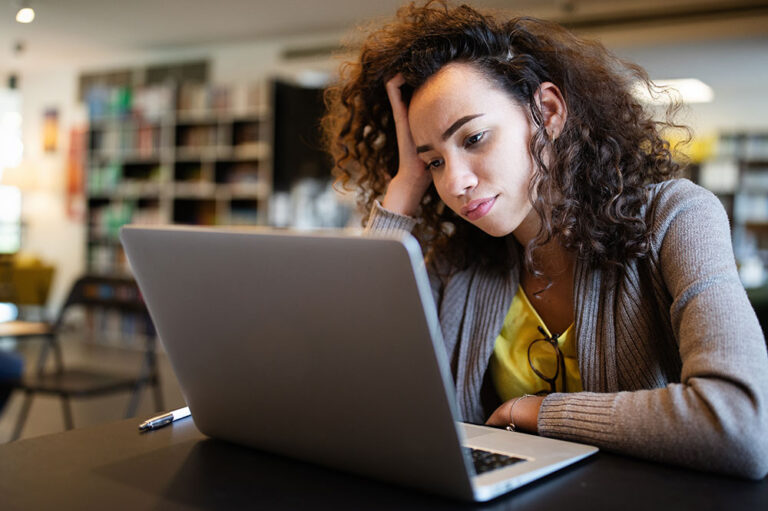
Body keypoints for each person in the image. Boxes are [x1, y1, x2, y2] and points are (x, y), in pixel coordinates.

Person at [321, 1, 768, 479]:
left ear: (547, 111)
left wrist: (536, 411)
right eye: (434, 161)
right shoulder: (458, 262)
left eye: (472, 139)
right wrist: (404, 189)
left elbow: (741, 424)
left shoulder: (676, 216)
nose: (455, 184)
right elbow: (350, 392)